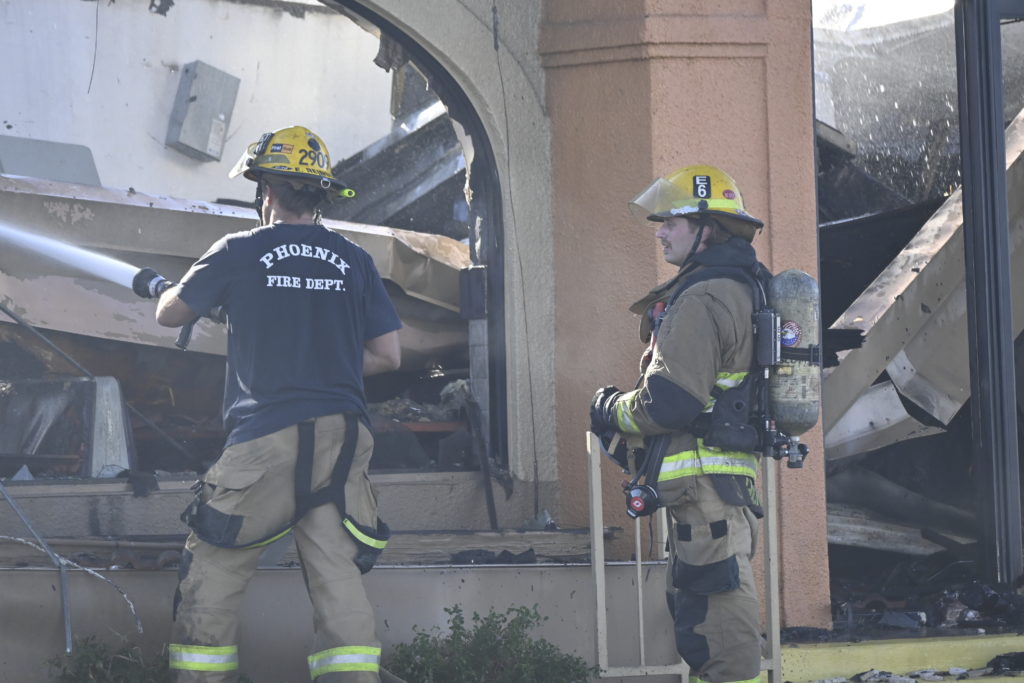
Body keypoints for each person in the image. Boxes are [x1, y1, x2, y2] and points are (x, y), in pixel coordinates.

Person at [134, 125, 402, 682]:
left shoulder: (239, 249)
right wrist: (324, 366)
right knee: (336, 575)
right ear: (320, 194)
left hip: (267, 438)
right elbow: (387, 355)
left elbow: (170, 314)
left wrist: (167, 288)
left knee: (215, 566)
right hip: (342, 437)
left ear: (267, 191)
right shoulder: (354, 259)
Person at [589, 164, 771, 683]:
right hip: (715, 493)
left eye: (671, 222)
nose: (661, 232)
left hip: (706, 497)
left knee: (719, 631)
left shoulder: (703, 297)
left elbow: (668, 404)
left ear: (706, 229)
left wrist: (609, 409)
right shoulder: (736, 286)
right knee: (706, 621)